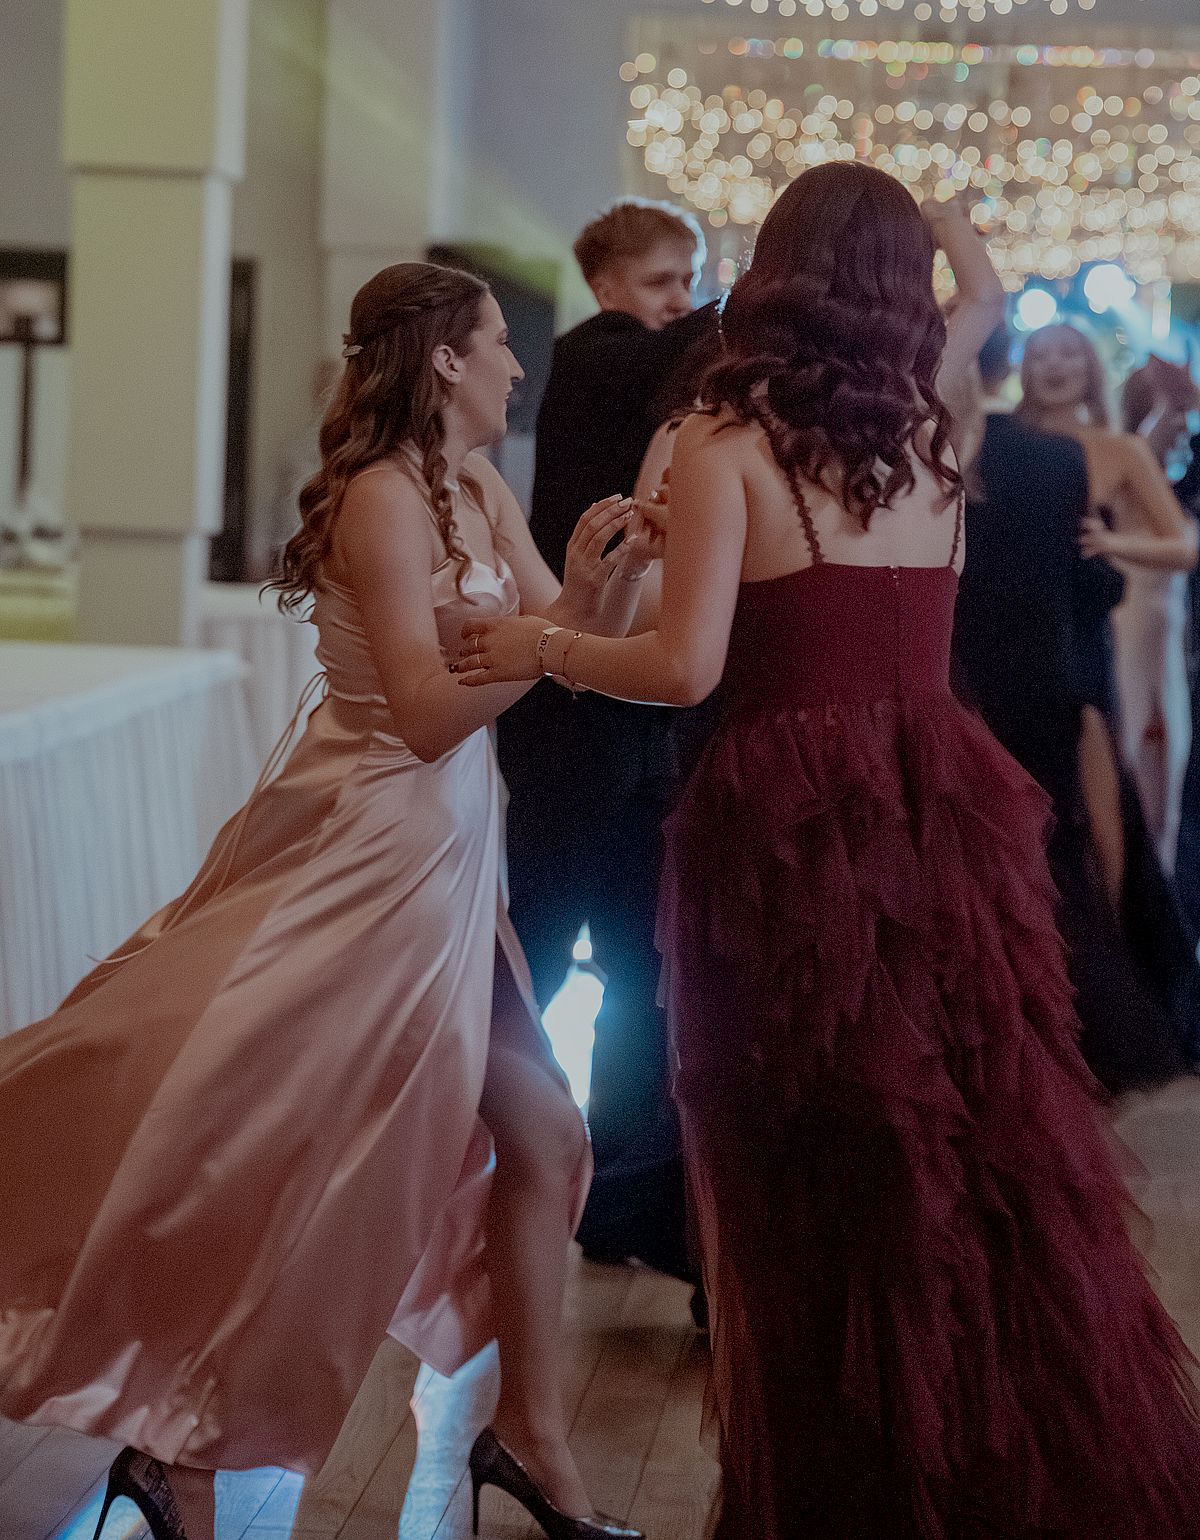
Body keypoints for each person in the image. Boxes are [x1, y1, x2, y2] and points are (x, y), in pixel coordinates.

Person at [457, 164, 1200, 1538]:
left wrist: (541, 643)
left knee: (796, 1175)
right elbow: (973, 330)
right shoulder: (931, 433)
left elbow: (683, 671)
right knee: (963, 1154)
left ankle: (823, 1493)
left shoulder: (723, 441)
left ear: (774, 274)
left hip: (787, 832)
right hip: (940, 815)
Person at [0, 263, 652, 1540]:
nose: (518, 364)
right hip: (360, 859)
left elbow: (582, 649)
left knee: (545, 1136)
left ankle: (530, 1439)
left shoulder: (479, 486)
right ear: (446, 360)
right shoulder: (381, 498)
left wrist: (615, 572)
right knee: (262, 1153)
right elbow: (423, 713)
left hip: (451, 865)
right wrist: (562, 624)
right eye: (498, 343)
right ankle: (180, 1451)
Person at [498, 199, 719, 1287]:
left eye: (690, 281)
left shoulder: (653, 374)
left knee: (638, 954)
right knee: (540, 940)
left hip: (634, 704)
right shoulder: (598, 354)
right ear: (604, 287)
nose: (682, 302)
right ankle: (482, 1165)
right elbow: (688, 351)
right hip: (570, 702)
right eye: (663, 280)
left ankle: (617, 1185)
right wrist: (772, 291)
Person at [1112, 355, 1200, 872]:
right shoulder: (1131, 464)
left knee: (1169, 775)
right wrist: (1172, 401)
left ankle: (1160, 891)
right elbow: (1152, 436)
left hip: (1170, 638)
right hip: (1132, 628)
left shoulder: (1177, 477)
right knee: (1133, 763)